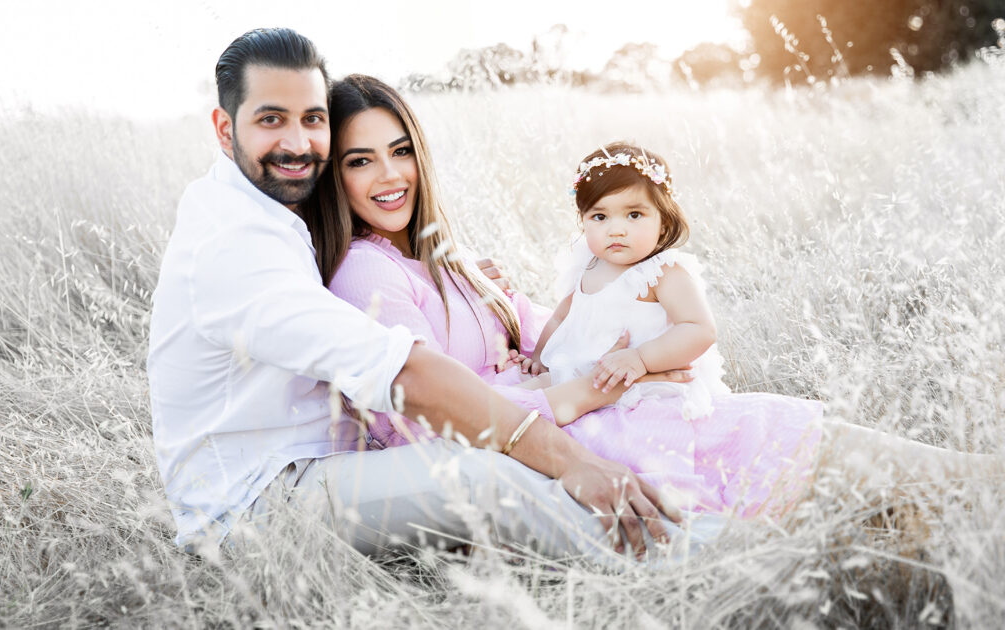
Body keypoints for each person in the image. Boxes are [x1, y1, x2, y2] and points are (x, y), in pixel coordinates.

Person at [148, 27, 719, 566]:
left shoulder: (286, 215)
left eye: (313, 119)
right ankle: (701, 554)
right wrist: (573, 448)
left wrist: (627, 354)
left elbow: (522, 329)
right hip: (261, 500)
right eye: (271, 119)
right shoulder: (233, 242)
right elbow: (405, 375)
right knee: (480, 478)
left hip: (341, 461)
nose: (298, 143)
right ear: (224, 128)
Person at [322, 75, 1001, 523]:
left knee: (782, 436)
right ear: (334, 176)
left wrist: (631, 354)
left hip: (573, 412)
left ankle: (971, 488)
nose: (389, 175)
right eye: (360, 160)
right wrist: (587, 390)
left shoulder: (439, 255)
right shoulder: (364, 272)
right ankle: (970, 486)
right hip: (545, 441)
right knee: (771, 444)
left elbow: (540, 328)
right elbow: (420, 419)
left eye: (400, 151)